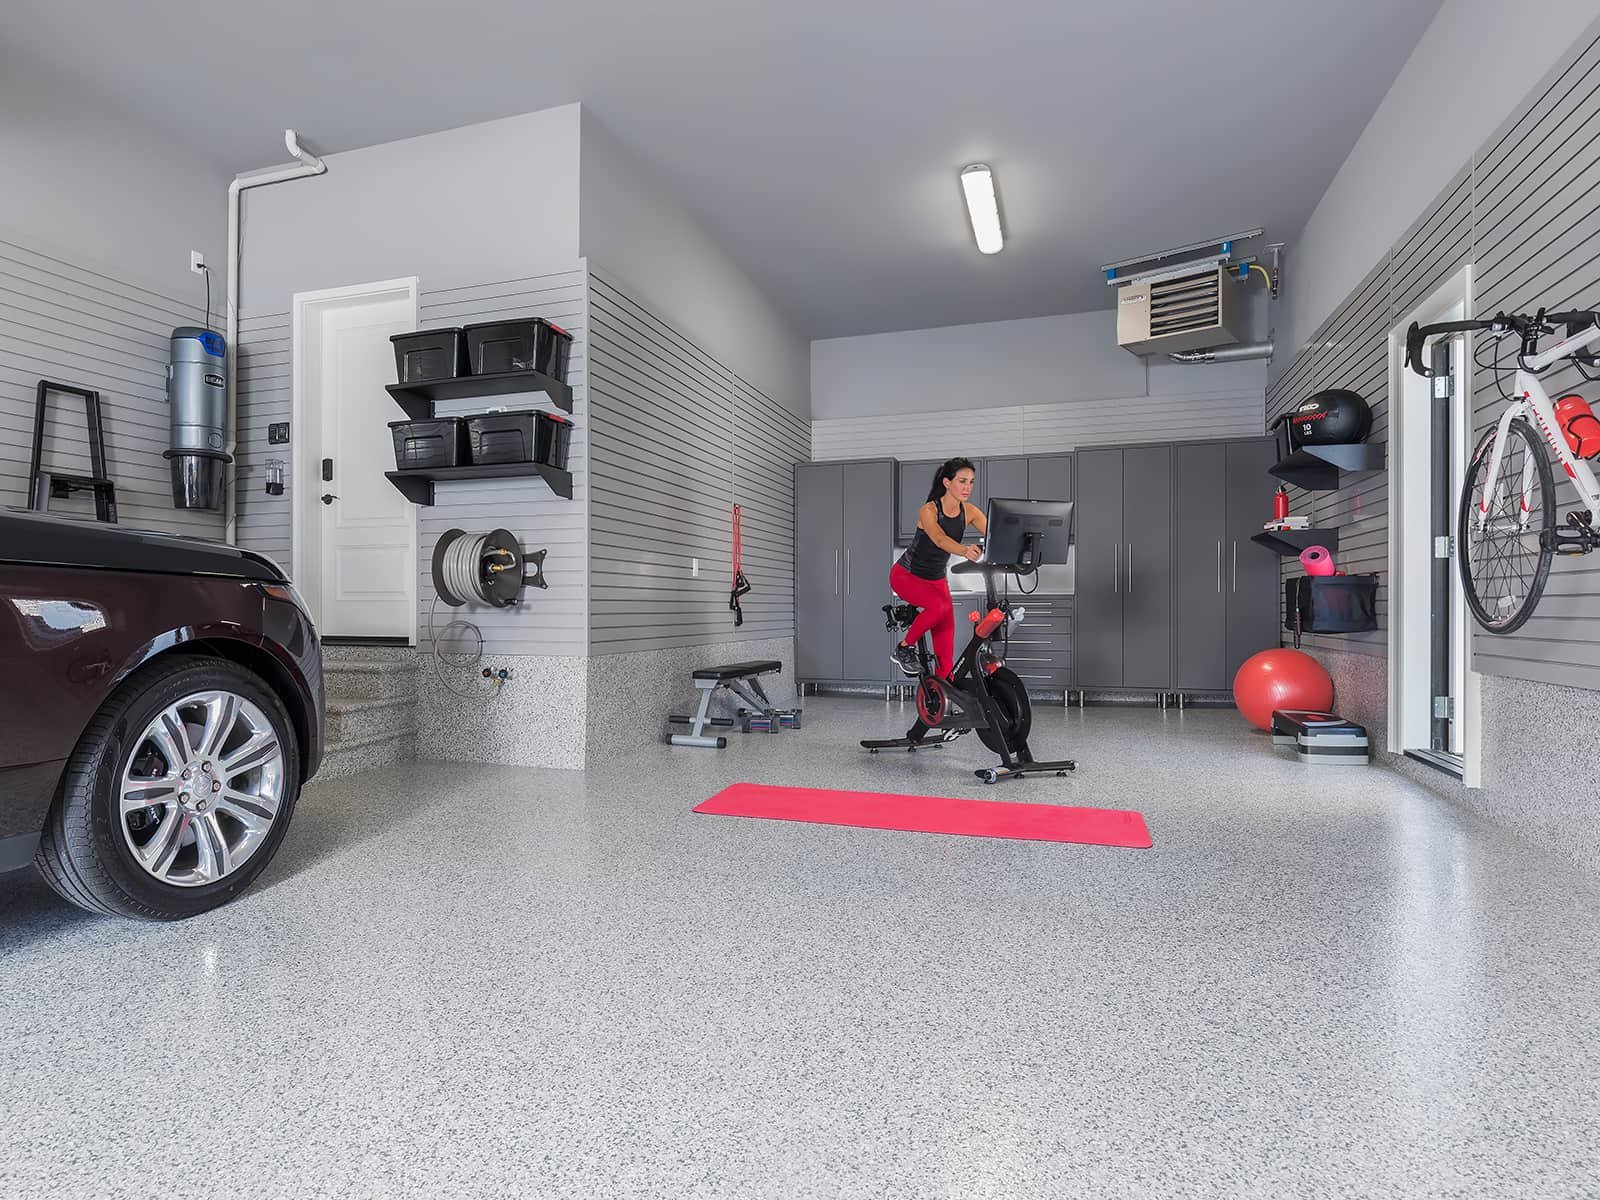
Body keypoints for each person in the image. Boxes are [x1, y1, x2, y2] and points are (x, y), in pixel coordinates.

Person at [889, 457, 987, 679]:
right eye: (962, 481)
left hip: (936, 580)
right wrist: (964, 551)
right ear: (946, 482)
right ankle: (903, 648)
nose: (967, 487)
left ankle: (943, 692)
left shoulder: (969, 511)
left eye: (971, 482)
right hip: (906, 575)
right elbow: (939, 539)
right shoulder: (929, 510)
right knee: (939, 608)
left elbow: (994, 532)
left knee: (946, 645)